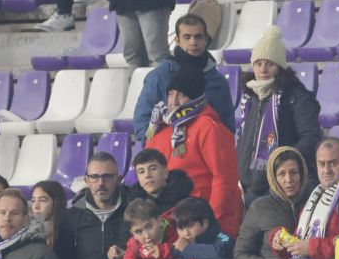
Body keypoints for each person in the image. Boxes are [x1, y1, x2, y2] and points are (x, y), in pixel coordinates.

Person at [143, 61, 242, 238]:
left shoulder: (210, 128)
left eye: (181, 95)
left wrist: (208, 224)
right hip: (173, 227)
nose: (173, 102)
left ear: (196, 97)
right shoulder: (160, 128)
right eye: (170, 93)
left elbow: (225, 180)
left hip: (206, 226)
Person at [236, 30, 321, 206]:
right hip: (249, 189)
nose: (263, 69)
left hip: (280, 188)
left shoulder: (297, 96)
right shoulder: (250, 98)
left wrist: (282, 164)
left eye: (270, 63)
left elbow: (311, 136)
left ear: (280, 67)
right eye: (258, 63)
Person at [133, 13, 233, 134]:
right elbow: (142, 121)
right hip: (167, 151)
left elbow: (227, 127)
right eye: (187, 37)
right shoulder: (159, 76)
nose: (193, 42)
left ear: (206, 39)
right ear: (177, 40)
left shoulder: (218, 81)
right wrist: (159, 146)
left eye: (198, 37)